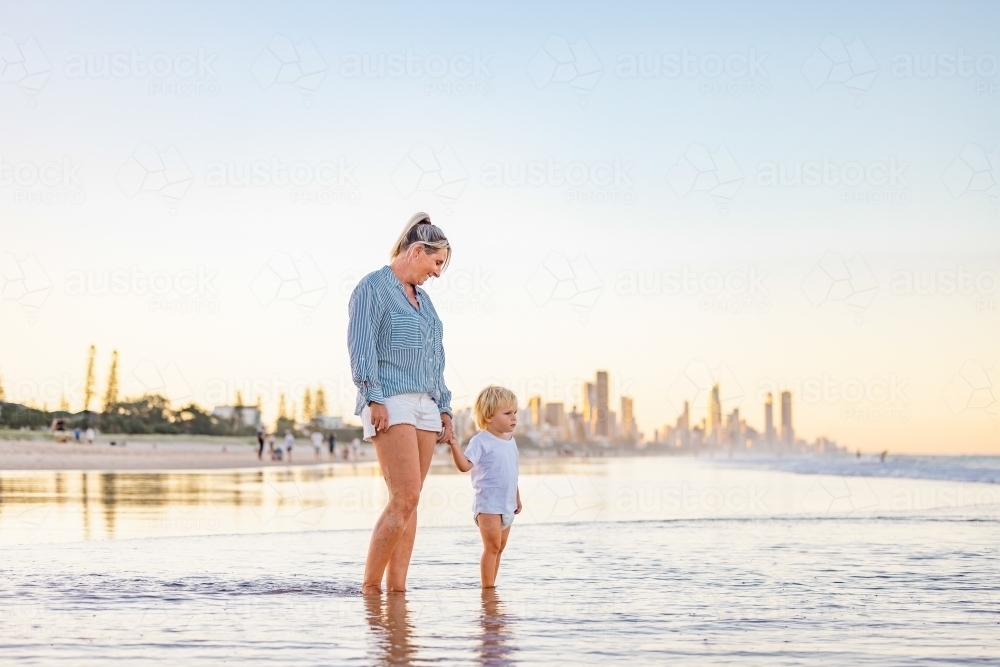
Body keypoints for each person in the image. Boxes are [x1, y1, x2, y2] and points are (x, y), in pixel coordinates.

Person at [348, 212, 455, 595]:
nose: (438, 273)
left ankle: (397, 593)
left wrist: (444, 407)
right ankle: (369, 588)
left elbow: (435, 357)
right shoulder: (372, 288)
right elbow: (361, 348)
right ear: (416, 251)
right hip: (389, 398)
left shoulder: (424, 302)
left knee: (412, 504)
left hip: (427, 403)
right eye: (436, 262)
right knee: (404, 496)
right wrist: (372, 396)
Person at [446, 386, 522, 589]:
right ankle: (487, 590)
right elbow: (464, 465)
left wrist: (517, 497)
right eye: (507, 413)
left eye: (515, 412)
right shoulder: (480, 441)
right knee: (492, 547)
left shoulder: (511, 442)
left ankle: (492, 587)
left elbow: (512, 472)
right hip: (488, 505)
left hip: (507, 505)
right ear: (488, 417)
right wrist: (454, 445)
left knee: (500, 548)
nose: (513, 418)